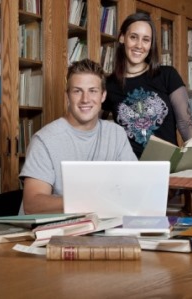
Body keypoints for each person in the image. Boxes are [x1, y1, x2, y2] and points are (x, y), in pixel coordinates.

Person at [20, 58, 137, 214]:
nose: (85, 99)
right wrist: (90, 201)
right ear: (67, 96)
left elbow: (135, 187)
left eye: (92, 91)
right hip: (51, 232)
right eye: (77, 91)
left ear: (103, 96)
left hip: (100, 227)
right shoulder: (44, 140)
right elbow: (32, 204)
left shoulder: (116, 134)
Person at [102, 12, 192, 164]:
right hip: (132, 172)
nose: (139, 45)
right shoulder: (109, 84)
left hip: (169, 170)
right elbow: (93, 126)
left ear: (151, 44)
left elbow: (186, 124)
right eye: (133, 37)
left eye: (146, 40)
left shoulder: (167, 75)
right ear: (122, 38)